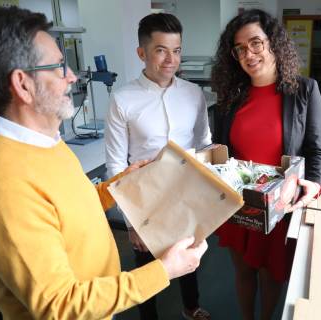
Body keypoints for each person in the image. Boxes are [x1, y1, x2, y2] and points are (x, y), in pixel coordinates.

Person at [0, 6, 208, 320]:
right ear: (23, 84)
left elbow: (68, 208)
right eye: (59, 67)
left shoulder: (47, 143)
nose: (72, 77)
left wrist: (116, 188)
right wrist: (164, 270)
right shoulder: (4, 183)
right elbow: (60, 305)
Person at [210, 9, 321, 320]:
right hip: (240, 202)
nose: (249, 54)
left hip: (280, 203)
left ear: (273, 43)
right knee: (243, 270)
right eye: (240, 48)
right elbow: (221, 150)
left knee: (271, 273)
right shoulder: (230, 98)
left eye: (256, 43)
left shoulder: (304, 90)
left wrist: (313, 184)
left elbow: (316, 151)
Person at [104, 13, 212, 320]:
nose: (171, 59)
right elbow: (115, 162)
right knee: (146, 268)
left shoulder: (193, 94)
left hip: (186, 196)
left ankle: (191, 308)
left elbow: (204, 144)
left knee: (189, 256)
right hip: (144, 201)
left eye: (176, 50)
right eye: (161, 50)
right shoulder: (123, 99)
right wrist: (130, 220)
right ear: (142, 53)